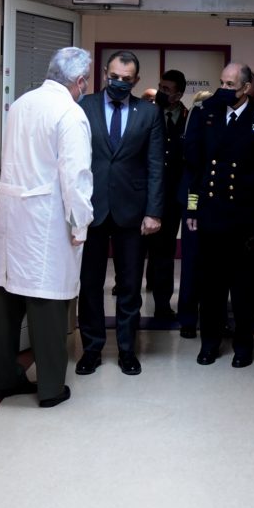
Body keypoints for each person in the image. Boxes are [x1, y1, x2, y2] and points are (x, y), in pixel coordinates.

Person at [0, 46, 95, 408]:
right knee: (47, 304)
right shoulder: (70, 113)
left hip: (12, 215)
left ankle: (3, 378)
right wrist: (81, 224)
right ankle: (50, 388)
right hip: (46, 221)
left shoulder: (21, 104)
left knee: (7, 302)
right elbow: (76, 177)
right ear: (79, 81)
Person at [185, 63, 254, 367]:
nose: (224, 89)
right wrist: (192, 207)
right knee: (211, 287)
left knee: (244, 288)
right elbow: (196, 166)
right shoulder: (208, 114)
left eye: (230, 85)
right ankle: (209, 343)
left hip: (245, 216)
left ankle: (243, 345)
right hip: (212, 213)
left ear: (246, 88)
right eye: (222, 83)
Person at [76, 50, 165, 377]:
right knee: (90, 284)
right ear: (104, 74)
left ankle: (128, 349)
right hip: (92, 208)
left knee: (130, 285)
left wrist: (154, 211)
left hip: (133, 211)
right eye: (114, 77)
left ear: (136, 80)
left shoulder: (149, 113)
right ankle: (92, 349)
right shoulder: (84, 106)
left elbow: (156, 165)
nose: (119, 83)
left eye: (126, 79)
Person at [143, 69, 188, 321]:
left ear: (178, 95)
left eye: (167, 90)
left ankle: (162, 304)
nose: (161, 92)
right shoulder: (148, 113)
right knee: (141, 248)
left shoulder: (188, 117)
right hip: (148, 191)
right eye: (160, 87)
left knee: (165, 251)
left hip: (173, 194)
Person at [176, 89, 213, 338]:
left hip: (219, 201)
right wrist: (192, 206)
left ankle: (212, 317)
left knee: (216, 265)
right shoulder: (198, 117)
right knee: (192, 263)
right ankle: (188, 318)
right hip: (195, 198)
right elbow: (192, 163)